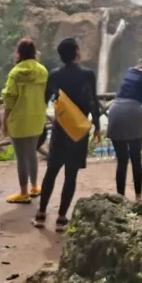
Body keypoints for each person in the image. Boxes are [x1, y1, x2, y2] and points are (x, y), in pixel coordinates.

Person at [35, 37, 100, 232]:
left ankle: (41, 214)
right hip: (78, 130)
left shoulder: (54, 74)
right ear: (77, 52)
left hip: (60, 128)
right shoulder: (88, 74)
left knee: (51, 172)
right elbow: (93, 100)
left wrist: (40, 126)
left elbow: (45, 99)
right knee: (70, 175)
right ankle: (62, 218)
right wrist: (96, 124)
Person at [106, 50, 142, 201]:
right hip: (133, 113)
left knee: (122, 160)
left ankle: (120, 198)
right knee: (136, 158)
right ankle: (138, 198)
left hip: (115, 110)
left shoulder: (129, 70)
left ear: (141, 59)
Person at [1, 37, 49, 204]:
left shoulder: (15, 72)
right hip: (37, 117)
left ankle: (23, 192)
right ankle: (35, 187)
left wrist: (4, 120)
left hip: (18, 119)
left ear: (18, 53)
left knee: (21, 157)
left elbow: (9, 97)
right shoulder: (42, 70)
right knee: (32, 154)